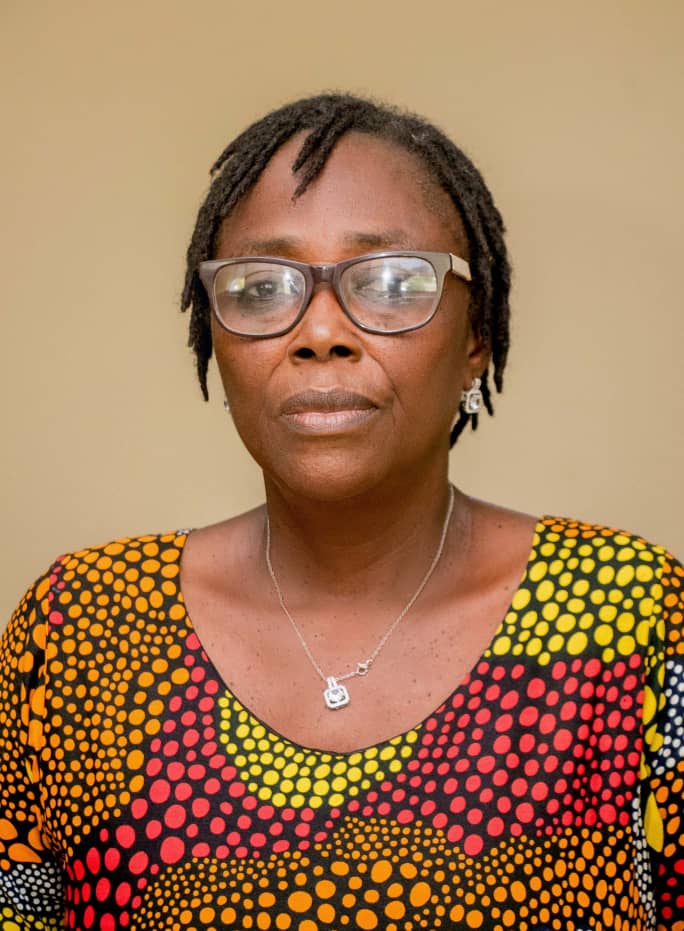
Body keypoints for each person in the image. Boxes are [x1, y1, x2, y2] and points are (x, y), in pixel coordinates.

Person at [0, 93, 681, 931]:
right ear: (215, 337)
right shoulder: (79, 627)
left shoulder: (632, 619)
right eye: (261, 286)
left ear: (476, 336)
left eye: (392, 281)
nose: (321, 331)